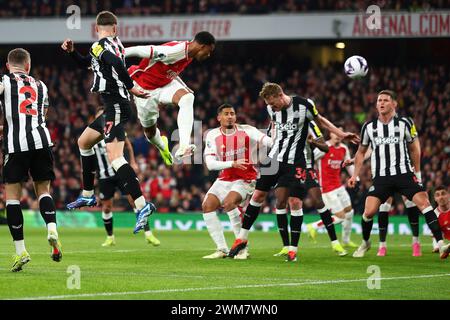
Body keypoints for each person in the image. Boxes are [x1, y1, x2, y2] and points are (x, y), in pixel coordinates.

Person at [228, 82, 360, 261]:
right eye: (269, 104)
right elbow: (274, 129)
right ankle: (241, 238)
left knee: (294, 201)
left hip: (294, 163)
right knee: (258, 196)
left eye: (273, 103)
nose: (271, 106)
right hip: (274, 159)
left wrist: (341, 134)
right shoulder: (271, 109)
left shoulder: (304, 105)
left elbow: (320, 120)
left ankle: (293, 249)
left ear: (280, 95)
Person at [61, 11, 155, 234]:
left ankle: (142, 205)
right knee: (84, 142)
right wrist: (73, 52)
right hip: (114, 106)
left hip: (115, 105)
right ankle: (86, 195)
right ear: (115, 28)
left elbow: (112, 63)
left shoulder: (100, 46)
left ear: (97, 29)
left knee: (115, 158)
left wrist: (131, 86)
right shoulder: (116, 44)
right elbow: (87, 63)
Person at [348, 89, 449, 259]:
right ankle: (366, 242)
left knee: (424, 203)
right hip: (381, 177)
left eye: (386, 100)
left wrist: (417, 173)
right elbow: (361, 152)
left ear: (394, 103)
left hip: (404, 174)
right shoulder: (369, 127)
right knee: (368, 212)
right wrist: (354, 175)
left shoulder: (405, 123)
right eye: (379, 100)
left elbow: (415, 149)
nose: (381, 103)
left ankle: (440, 244)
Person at [0, 48, 62, 272]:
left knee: (13, 197)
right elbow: (41, 115)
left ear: (8, 66)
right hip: (42, 141)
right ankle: (52, 229)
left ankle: (20, 252)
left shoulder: (5, 81)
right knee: (43, 190)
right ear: (28, 66)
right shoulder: (41, 86)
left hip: (16, 145)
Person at [124, 31, 216, 161]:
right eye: (209, 51)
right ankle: (162, 146)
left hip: (165, 84)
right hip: (144, 88)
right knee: (150, 133)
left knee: (187, 98)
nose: (209, 55)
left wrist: (183, 85)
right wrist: (118, 52)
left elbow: (171, 71)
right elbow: (142, 50)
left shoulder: (190, 54)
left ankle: (184, 146)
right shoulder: (175, 51)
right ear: (202, 46)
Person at [202, 104, 273, 259]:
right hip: (225, 177)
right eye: (226, 114)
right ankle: (222, 249)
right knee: (207, 206)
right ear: (219, 117)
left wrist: (277, 138)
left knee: (229, 203)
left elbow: (268, 141)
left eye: (232, 113)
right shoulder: (212, 135)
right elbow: (210, 164)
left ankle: (242, 249)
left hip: (246, 178)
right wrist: (232, 164)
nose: (230, 116)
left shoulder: (247, 130)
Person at [88, 108, 160, 247]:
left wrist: (132, 161)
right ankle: (110, 237)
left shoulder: (114, 129)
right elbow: (88, 155)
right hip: (104, 176)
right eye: (99, 116)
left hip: (120, 173)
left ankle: (148, 234)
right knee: (107, 207)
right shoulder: (91, 135)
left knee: (134, 201)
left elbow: (127, 143)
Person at [273, 121, 329, 261]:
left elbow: (325, 147)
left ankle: (293, 250)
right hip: (282, 165)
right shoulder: (277, 120)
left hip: (300, 166)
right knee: (280, 202)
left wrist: (313, 142)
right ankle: (285, 246)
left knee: (295, 202)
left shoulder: (310, 123)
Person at [305, 129, 358, 249]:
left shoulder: (344, 148)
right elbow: (310, 160)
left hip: (339, 185)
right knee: (340, 217)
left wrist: (356, 177)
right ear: (331, 134)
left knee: (349, 212)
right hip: (327, 188)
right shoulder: (324, 148)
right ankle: (314, 226)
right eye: (336, 133)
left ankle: (345, 240)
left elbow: (348, 164)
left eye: (340, 134)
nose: (338, 136)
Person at [432, 186, 450, 258]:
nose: (441, 197)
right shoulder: (434, 215)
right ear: (435, 199)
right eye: (438, 195)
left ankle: (445, 248)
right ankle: (443, 248)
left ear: (448, 195)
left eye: (443, 194)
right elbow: (435, 235)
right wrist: (437, 246)